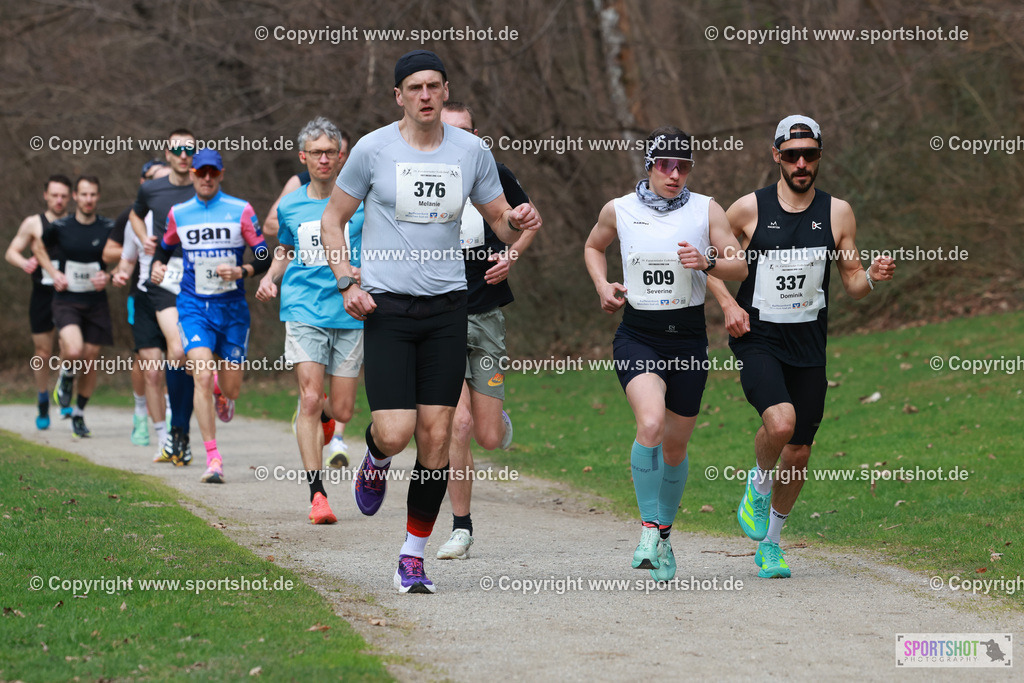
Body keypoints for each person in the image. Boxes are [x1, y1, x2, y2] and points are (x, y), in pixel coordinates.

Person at [320, 50, 541, 593]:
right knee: (395, 434)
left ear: (445, 91)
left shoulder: (471, 151)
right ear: (398, 96)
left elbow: (498, 221)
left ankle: (412, 555)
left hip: (448, 308)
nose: (425, 95)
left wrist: (516, 222)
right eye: (415, 87)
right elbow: (333, 218)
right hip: (388, 308)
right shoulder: (372, 150)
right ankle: (375, 456)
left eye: (433, 86)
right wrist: (346, 280)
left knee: (438, 438)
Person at [706, 115, 895, 578]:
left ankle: (770, 544)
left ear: (819, 156)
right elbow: (707, 262)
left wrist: (871, 276)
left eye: (809, 154)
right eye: (792, 155)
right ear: (777, 156)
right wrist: (729, 305)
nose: (801, 163)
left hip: (809, 343)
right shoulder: (747, 209)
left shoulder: (838, 213)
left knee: (800, 451)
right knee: (781, 422)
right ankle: (757, 484)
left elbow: (852, 281)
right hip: (758, 337)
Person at [584, 127, 747, 581]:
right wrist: (602, 284)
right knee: (651, 424)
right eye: (665, 165)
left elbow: (740, 264)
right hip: (639, 335)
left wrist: (708, 262)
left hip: (688, 340)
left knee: (675, 447)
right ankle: (647, 530)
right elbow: (594, 246)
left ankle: (666, 534)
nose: (674, 175)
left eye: (683, 166)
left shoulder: (706, 209)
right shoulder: (619, 209)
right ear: (649, 166)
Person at [435, 101, 539, 561]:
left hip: (486, 312)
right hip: (440, 313)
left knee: (488, 436)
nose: (456, 139)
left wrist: (511, 256)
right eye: (448, 130)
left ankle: (493, 415)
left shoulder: (494, 173)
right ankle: (461, 527)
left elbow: (530, 221)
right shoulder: (422, 178)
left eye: (464, 131)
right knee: (457, 424)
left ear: (477, 137)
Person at [256, 116, 364, 524]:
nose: (323, 159)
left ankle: (325, 416)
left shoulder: (360, 203)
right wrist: (269, 278)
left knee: (344, 410)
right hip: (303, 309)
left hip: (349, 311)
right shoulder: (290, 204)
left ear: (341, 157)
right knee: (309, 397)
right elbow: (285, 249)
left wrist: (366, 272)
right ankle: (317, 495)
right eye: (316, 152)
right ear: (303, 157)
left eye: (330, 152)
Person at [152, 148, 270, 483]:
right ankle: (213, 458)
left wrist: (243, 270)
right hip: (193, 307)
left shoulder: (241, 210)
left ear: (221, 175)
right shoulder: (179, 213)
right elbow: (164, 247)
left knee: (232, 389)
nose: (206, 178)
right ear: (192, 174)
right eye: (200, 172)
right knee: (201, 375)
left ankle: (223, 391)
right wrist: (158, 265)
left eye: (212, 173)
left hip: (232, 310)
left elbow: (263, 254)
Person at [131, 129, 200, 465]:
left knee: (192, 358)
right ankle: (175, 433)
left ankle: (181, 431)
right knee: (177, 349)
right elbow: (135, 213)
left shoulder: (204, 184)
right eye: (178, 150)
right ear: (168, 154)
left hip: (200, 278)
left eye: (189, 149)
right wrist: (145, 238)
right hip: (164, 278)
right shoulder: (151, 189)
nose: (184, 155)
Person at [34, 176, 115, 439]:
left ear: (98, 197)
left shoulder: (108, 227)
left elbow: (128, 256)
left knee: (90, 359)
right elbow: (38, 247)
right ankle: (67, 375)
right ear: (75, 197)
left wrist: (109, 276)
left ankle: (78, 413)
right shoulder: (60, 227)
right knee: (74, 349)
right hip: (66, 300)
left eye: (93, 194)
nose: (88, 199)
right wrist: (53, 272)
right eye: (84, 194)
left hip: (96, 302)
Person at [108, 159, 172, 451]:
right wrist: (120, 274)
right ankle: (157, 431)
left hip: (180, 295)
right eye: (155, 180)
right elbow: (126, 260)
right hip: (144, 296)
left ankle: (175, 418)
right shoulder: (134, 219)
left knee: (179, 360)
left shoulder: (185, 212)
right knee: (151, 368)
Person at [5, 174, 72, 429]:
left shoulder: (75, 223)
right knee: (43, 353)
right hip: (42, 294)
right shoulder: (33, 223)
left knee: (69, 347)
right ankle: (43, 398)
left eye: (63, 196)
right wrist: (25, 262)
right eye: (54, 195)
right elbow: (11, 252)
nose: (58, 200)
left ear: (70, 197)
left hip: (68, 294)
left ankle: (63, 388)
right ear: (45, 195)